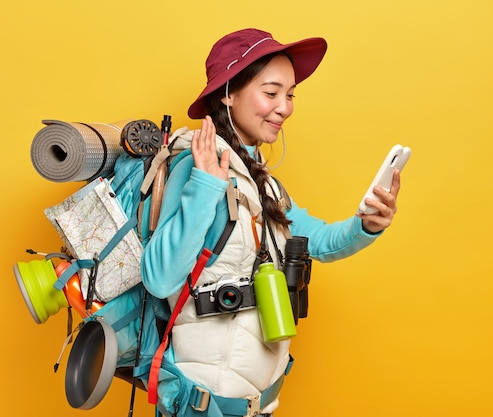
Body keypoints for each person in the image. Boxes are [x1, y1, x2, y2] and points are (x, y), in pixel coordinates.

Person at [140, 28, 401, 416]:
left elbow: (322, 240)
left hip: (254, 405)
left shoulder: (263, 185)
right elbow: (159, 277)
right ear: (228, 93)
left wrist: (369, 224)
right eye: (271, 92)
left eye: (290, 94)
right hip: (202, 404)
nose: (285, 107)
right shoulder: (197, 166)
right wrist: (205, 184)